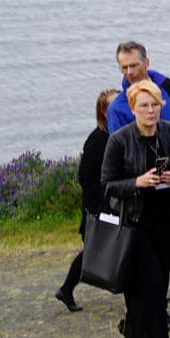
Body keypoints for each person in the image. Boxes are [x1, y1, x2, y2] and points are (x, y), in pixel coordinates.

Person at [106, 42, 170, 330]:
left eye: (133, 65)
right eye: (124, 67)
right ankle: (158, 310)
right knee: (154, 256)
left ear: (146, 62)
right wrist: (142, 179)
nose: (129, 72)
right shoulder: (119, 108)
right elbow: (119, 154)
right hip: (147, 196)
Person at [101, 79, 170, 338]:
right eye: (144, 106)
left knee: (158, 283)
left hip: (164, 219)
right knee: (146, 287)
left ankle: (136, 335)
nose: (150, 111)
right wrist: (137, 182)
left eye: (155, 105)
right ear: (133, 108)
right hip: (134, 222)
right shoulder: (120, 140)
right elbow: (106, 184)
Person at [57, 88, 120, 312]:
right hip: (99, 206)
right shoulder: (97, 140)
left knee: (118, 247)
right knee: (94, 250)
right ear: (103, 112)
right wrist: (98, 207)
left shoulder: (119, 134)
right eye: (114, 105)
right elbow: (85, 176)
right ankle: (66, 289)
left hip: (115, 203)